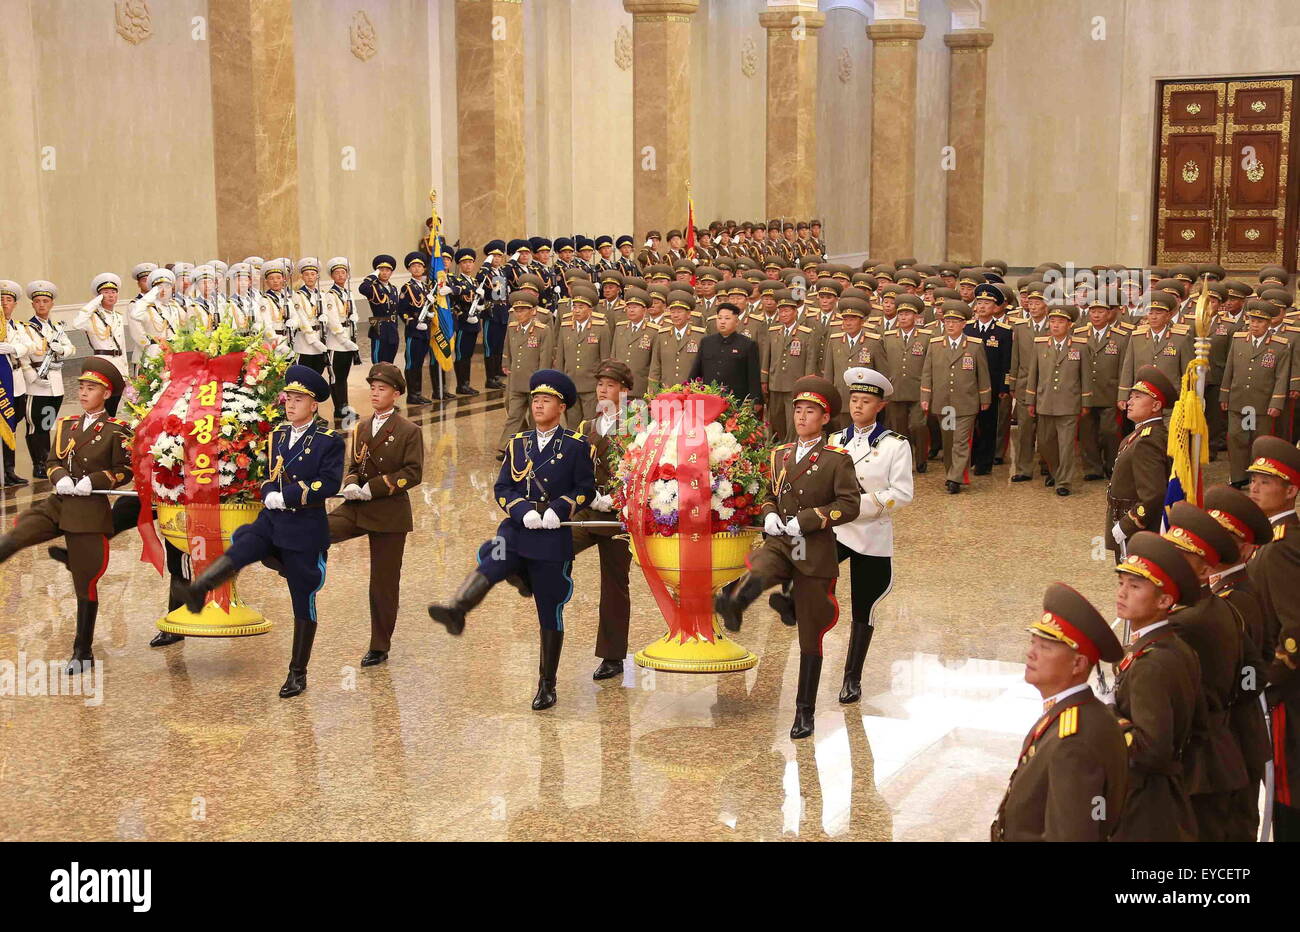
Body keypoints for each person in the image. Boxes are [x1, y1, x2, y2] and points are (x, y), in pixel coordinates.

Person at [428, 370, 596, 711]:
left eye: (545, 400)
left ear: (561, 407)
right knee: (496, 555)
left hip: (552, 533)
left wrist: (562, 508)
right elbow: (503, 487)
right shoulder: (518, 443)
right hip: (519, 528)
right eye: (534, 399)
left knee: (550, 608)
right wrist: (521, 511)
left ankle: (547, 683)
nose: (537, 405)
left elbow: (585, 488)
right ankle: (458, 608)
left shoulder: (577, 447)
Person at [183, 365, 344, 698]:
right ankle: (201, 586)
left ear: (314, 405)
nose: (291, 404)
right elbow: (270, 474)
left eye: (299, 399)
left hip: (304, 527)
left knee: (304, 600)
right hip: (271, 521)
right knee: (244, 544)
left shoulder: (329, 441)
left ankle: (297, 672)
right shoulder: (278, 435)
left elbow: (328, 484)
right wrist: (268, 491)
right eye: (289, 398)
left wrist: (285, 495)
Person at [714, 375, 860, 739]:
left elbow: (849, 504)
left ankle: (804, 710)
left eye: (810, 411)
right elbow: (769, 491)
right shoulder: (779, 453)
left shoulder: (836, 459)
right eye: (798, 410)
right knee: (761, 565)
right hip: (781, 541)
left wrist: (808, 520)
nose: (801, 417)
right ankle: (734, 602)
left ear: (825, 419)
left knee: (810, 637)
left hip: (814, 549)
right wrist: (769, 513)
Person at [0, 358, 132, 672]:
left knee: (85, 583)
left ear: (106, 394)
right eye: (82, 387)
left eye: (92, 389)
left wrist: (96, 481)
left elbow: (123, 470)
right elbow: (53, 459)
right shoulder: (66, 424)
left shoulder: (117, 431)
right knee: (17, 535)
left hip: (88, 511)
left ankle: (82, 650)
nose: (84, 393)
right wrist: (58, 475)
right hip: (58, 504)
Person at [990, 583, 1127, 841]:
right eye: (1033, 642)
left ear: (1078, 664)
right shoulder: (1079, 714)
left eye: (1046, 647)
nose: (1031, 653)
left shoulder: (1073, 742)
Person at [1161, 502, 1250, 841]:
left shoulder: (1185, 622)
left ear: (1203, 571)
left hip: (1197, 765)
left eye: (1181, 558)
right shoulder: (1219, 606)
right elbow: (1249, 674)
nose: (1169, 565)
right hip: (1221, 753)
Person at [826, 367, 913, 703]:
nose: (858, 406)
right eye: (854, 400)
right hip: (837, 529)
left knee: (864, 607)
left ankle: (852, 677)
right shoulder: (835, 440)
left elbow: (902, 493)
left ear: (880, 406)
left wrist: (855, 505)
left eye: (866, 401)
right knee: (809, 578)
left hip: (871, 532)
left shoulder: (895, 445)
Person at [328, 363, 423, 667]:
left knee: (383, 582)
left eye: (382, 389)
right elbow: (353, 466)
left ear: (395, 394)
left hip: (390, 511)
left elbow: (413, 472)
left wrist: (376, 488)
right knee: (319, 530)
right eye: (372, 388)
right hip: (358, 506)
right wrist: (353, 484)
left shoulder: (409, 431)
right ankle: (287, 562)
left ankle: (379, 645)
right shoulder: (361, 427)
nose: (375, 393)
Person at [1110, 531, 1203, 842]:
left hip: (1146, 805)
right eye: (1121, 583)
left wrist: (1110, 716)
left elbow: (1152, 752)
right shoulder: (1170, 645)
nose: (1122, 593)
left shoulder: (1151, 663)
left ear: (1165, 601)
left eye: (1135, 586)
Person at [1202, 484, 1274, 842]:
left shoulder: (1235, 601)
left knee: (1227, 828)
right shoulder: (1221, 592)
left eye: (1227, 537)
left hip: (1229, 741)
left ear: (1246, 549)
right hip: (1226, 739)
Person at [570, 361, 634, 681]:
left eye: (610, 386)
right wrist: (587, 495)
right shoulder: (586, 426)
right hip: (591, 509)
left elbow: (645, 471)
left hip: (620, 517)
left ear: (625, 392)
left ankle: (612, 656)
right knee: (554, 546)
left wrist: (618, 499)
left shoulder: (637, 424)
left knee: (614, 585)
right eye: (600, 385)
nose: (602, 390)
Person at [921, 300, 991, 494]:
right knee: (949, 440)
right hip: (943, 402)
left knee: (961, 441)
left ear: (963, 324)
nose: (950, 325)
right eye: (947, 321)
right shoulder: (935, 345)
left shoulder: (974, 346)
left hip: (966, 402)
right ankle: (951, 472)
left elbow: (982, 374)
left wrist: (985, 398)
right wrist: (926, 395)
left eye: (955, 321)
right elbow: (927, 372)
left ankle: (955, 478)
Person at [1105, 365, 1175, 561]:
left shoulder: (1148, 441)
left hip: (1138, 531)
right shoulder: (1137, 435)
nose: (1130, 402)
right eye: (1131, 396)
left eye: (1138, 397)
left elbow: (1153, 495)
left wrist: (1127, 524)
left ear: (1155, 406)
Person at [1220, 299, 1290, 487]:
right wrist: (1224, 394)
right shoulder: (1238, 340)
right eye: (1252, 320)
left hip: (1261, 404)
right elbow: (1229, 369)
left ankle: (1258, 476)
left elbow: (1281, 378)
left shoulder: (1279, 346)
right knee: (1237, 438)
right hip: (1239, 401)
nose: (1254, 325)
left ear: (1268, 323)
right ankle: (1237, 477)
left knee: (1259, 440)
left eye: (1259, 321)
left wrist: (1276, 403)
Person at [1025, 303, 1092, 496]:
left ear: (1069, 325)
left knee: (1066, 445)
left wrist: (1085, 402)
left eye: (1060, 322)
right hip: (1044, 402)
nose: (1055, 325)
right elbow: (1033, 375)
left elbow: (1085, 377)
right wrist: (1031, 400)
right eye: (1052, 321)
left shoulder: (1080, 346)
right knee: (1045, 443)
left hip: (1069, 403)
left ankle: (1064, 481)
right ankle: (1055, 471)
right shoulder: (1040, 345)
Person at [20, 281, 74, 478]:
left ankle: (47, 459)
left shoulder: (56, 327)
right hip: (36, 385)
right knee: (35, 425)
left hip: (55, 384)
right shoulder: (25, 328)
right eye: (38, 301)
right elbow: (23, 355)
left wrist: (63, 350)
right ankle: (39, 464)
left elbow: (70, 348)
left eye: (45, 301)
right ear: (33, 305)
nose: (42, 304)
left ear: (51, 304)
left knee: (47, 424)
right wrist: (32, 377)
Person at [1075, 293, 1130, 480]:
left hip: (1109, 391)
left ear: (1109, 314)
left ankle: (1112, 465)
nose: (1096, 315)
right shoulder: (1079, 334)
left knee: (1110, 432)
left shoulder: (1121, 337)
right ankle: (1092, 468)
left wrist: (1123, 392)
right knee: (1087, 433)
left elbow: (1125, 366)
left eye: (1100, 311)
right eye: (1093, 311)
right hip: (1085, 392)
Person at [964, 283, 1014, 475]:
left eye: (988, 303)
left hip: (991, 387)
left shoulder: (1003, 331)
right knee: (969, 424)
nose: (983, 306)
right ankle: (970, 458)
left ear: (996, 308)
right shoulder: (967, 329)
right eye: (980, 302)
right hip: (968, 385)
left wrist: (1004, 386)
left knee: (988, 425)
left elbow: (1006, 361)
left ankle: (984, 463)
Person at [498, 291, 556, 456]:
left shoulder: (542, 330)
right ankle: (505, 446)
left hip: (534, 381)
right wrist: (505, 364)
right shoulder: (512, 329)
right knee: (514, 415)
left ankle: (537, 446)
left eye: (523, 310)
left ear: (532, 311)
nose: (519, 313)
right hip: (517, 380)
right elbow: (507, 349)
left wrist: (543, 380)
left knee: (535, 417)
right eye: (517, 310)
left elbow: (545, 357)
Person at [880, 296, 930, 472]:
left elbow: (929, 365)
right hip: (895, 389)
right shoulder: (888, 337)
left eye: (907, 314)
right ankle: (905, 461)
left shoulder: (926, 337)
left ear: (915, 317)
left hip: (918, 389)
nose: (902, 317)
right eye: (900, 313)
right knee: (899, 430)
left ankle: (921, 458)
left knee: (918, 425)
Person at [763, 290, 817, 442]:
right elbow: (767, 358)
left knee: (793, 419)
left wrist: (807, 384)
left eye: (787, 310)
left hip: (795, 384)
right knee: (776, 418)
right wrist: (764, 379)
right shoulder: (773, 332)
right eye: (780, 311)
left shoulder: (805, 334)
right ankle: (778, 445)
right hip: (775, 383)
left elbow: (810, 361)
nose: (783, 314)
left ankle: (791, 446)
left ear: (795, 312)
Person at [554, 287, 612, 426]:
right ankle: (574, 447)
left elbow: (605, 360)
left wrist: (603, 385)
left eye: (581, 307)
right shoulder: (565, 327)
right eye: (574, 306)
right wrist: (560, 382)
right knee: (572, 423)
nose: (577, 310)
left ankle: (590, 448)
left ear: (590, 310)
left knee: (590, 423)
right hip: (571, 383)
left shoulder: (600, 328)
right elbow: (560, 357)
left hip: (591, 385)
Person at [73, 273, 129, 416]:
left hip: (118, 364)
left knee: (113, 405)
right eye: (105, 292)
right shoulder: (92, 317)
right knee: (100, 404)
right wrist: (95, 302)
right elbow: (77, 322)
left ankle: (109, 435)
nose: (110, 295)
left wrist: (126, 374)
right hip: (102, 365)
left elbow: (121, 346)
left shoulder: (118, 317)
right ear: (99, 296)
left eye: (113, 292)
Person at [688, 303, 762, 407]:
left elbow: (753, 375)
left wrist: (756, 400)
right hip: (709, 398)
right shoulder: (707, 342)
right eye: (719, 318)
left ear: (736, 322)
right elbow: (696, 370)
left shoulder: (747, 344)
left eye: (727, 318)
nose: (722, 321)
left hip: (736, 400)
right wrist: (687, 389)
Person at [323, 257, 360, 426]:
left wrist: (355, 317)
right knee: (335, 377)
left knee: (344, 376)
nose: (340, 275)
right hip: (336, 342)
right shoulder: (330, 296)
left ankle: (344, 406)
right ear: (332, 276)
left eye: (343, 272)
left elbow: (353, 313)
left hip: (348, 338)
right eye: (337, 273)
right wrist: (345, 341)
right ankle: (339, 408)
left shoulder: (348, 293)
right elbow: (333, 321)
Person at [0, 279, 29, 485]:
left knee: (11, 426)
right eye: (1, 299)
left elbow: (27, 346)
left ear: (15, 304)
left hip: (17, 382)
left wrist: (12, 348)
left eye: (8, 300)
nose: (4, 303)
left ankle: (9, 469)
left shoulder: (18, 326)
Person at [447, 247, 483, 396]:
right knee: (461, 355)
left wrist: (481, 304)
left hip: (474, 322)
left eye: (470, 262)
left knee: (468, 355)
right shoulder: (456, 280)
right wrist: (463, 315)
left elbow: (480, 301)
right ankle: (461, 385)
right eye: (464, 262)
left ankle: (466, 383)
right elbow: (454, 302)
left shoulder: (475, 282)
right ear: (460, 265)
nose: (468, 265)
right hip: (463, 323)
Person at [289, 258, 329, 374]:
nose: (310, 277)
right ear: (302, 277)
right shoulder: (297, 296)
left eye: (313, 274)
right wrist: (313, 340)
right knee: (305, 375)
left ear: (317, 276)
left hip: (320, 338)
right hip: (304, 342)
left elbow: (325, 311)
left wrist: (325, 317)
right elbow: (301, 319)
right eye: (306, 275)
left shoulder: (321, 294)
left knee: (318, 373)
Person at [359, 255, 400, 365]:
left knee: (389, 363)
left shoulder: (393, 289)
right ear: (377, 272)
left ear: (391, 272)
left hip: (392, 328)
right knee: (378, 363)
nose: (385, 273)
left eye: (388, 270)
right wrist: (372, 276)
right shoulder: (372, 287)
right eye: (381, 270)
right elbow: (362, 288)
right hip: (379, 328)